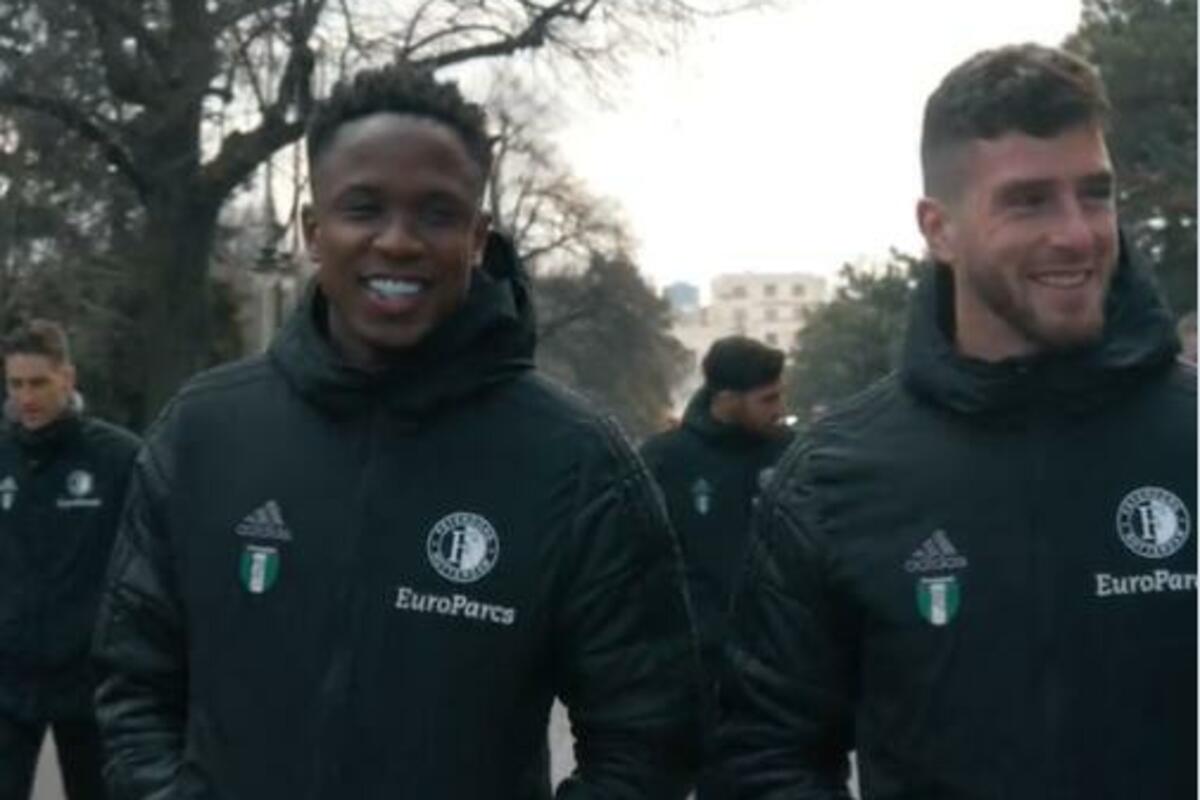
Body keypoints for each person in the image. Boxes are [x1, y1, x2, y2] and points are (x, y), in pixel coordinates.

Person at [93, 65, 698, 799]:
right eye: (364, 208)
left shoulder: (576, 464)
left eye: (437, 214)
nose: (399, 241)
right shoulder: (204, 432)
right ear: (314, 231)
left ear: (477, 238)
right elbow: (134, 684)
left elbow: (648, 737)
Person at [719, 43, 1196, 799]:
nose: (1078, 233)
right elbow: (766, 755)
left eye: (1095, 194)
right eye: (1029, 201)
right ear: (938, 229)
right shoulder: (835, 479)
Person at [640, 335, 791, 798]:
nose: (780, 409)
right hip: (698, 675)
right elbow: (636, 565)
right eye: (768, 399)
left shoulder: (795, 456)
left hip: (785, 670)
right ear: (726, 399)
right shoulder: (664, 461)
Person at [0, 319, 140, 800]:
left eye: (38, 383)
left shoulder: (119, 459)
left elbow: (152, 557)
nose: (26, 398)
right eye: (15, 384)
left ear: (68, 378)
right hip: (8, 678)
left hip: (90, 679)